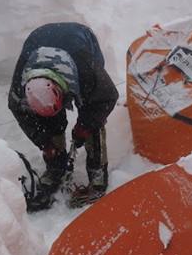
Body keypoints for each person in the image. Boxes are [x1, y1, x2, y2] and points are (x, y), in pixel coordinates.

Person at [8, 22, 119, 210]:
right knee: (47, 123)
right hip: (38, 39)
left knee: (92, 113)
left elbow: (106, 98)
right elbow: (20, 111)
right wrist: (45, 142)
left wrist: (84, 126)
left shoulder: (86, 69)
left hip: (79, 39)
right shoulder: (20, 87)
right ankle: (56, 166)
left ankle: (97, 170)